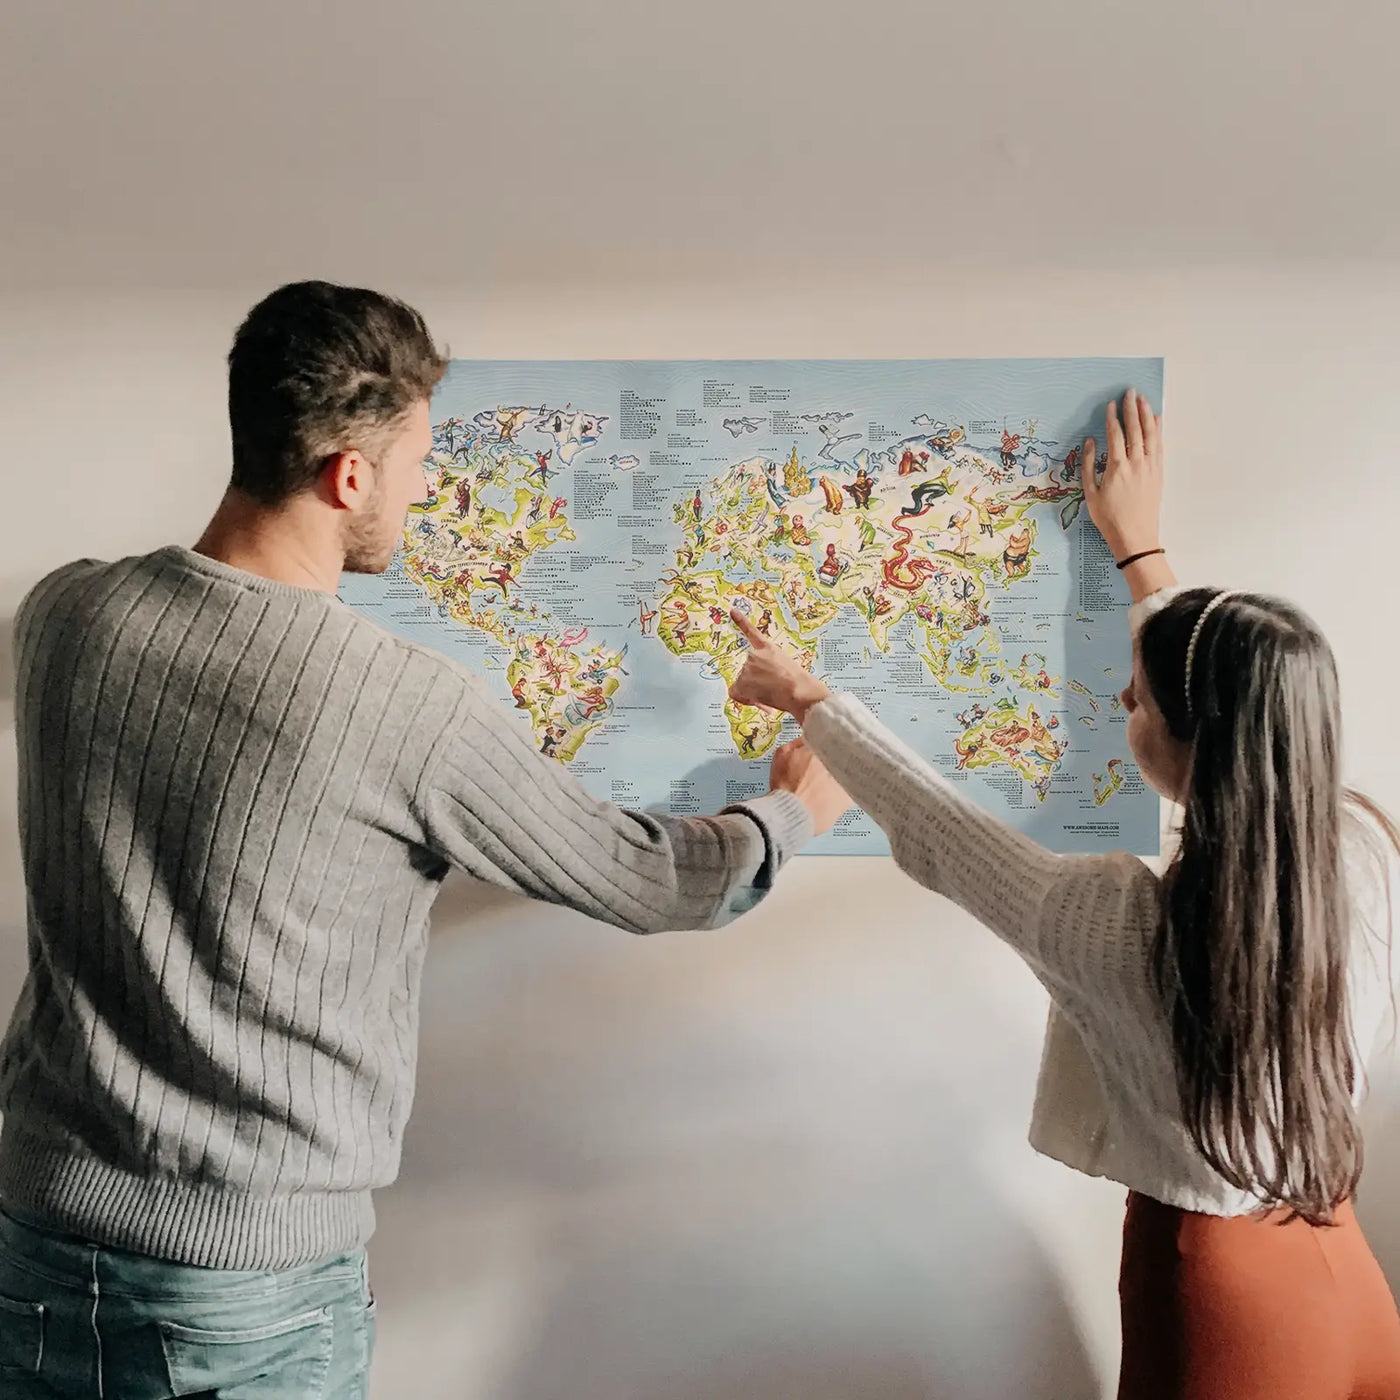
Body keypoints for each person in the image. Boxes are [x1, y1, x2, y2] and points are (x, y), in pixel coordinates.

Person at [0, 280, 851, 1398]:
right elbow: (653, 877)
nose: (426, 491)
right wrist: (797, 804)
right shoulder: (398, 705)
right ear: (346, 475)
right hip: (246, 1292)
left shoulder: (61, 617)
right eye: (417, 464)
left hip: (32, 1240)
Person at [729, 389, 1400, 1400]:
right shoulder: (1360, 844)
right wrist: (1142, 557)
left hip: (1221, 1297)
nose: (1120, 700)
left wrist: (808, 699)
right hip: (1342, 1267)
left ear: (1188, 744)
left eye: (1135, 696)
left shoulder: (1117, 923)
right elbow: (1228, 691)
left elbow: (945, 835)